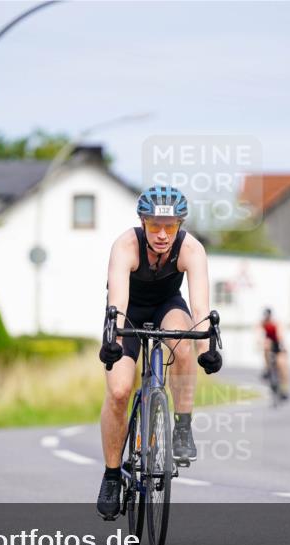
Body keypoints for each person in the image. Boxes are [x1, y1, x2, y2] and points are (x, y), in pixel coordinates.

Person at [96, 186, 222, 520]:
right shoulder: (125, 246)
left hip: (168, 306)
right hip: (129, 313)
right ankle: (111, 476)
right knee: (120, 391)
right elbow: (118, 303)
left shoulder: (191, 249)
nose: (163, 234)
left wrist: (208, 349)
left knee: (184, 347)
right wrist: (112, 340)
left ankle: (182, 426)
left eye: (170, 226)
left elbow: (200, 311)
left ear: (180, 224)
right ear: (142, 222)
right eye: (154, 226)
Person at [261, 308, 290, 400]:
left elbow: (280, 334)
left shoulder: (275, 323)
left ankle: (284, 389)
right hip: (269, 345)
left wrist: (282, 345)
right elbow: (258, 333)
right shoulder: (263, 323)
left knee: (282, 365)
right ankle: (267, 369)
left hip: (278, 345)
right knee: (266, 347)